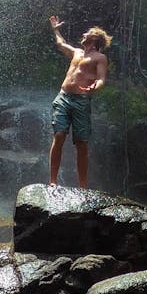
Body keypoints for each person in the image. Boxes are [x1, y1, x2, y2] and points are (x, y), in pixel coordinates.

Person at [47, 15, 111, 188]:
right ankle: (52, 181)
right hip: (63, 97)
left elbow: (101, 79)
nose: (83, 34)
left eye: (87, 33)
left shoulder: (100, 58)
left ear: (94, 39)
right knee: (59, 135)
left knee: (81, 144)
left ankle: (82, 186)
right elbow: (60, 44)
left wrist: (95, 88)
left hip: (81, 101)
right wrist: (55, 30)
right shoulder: (76, 52)